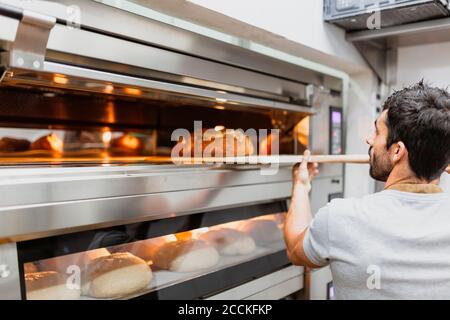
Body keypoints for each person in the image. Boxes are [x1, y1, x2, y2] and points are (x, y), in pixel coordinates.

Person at [284, 81, 450, 299]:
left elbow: (296, 250)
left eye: (378, 132)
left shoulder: (342, 217)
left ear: (397, 151)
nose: (369, 139)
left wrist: (300, 185)